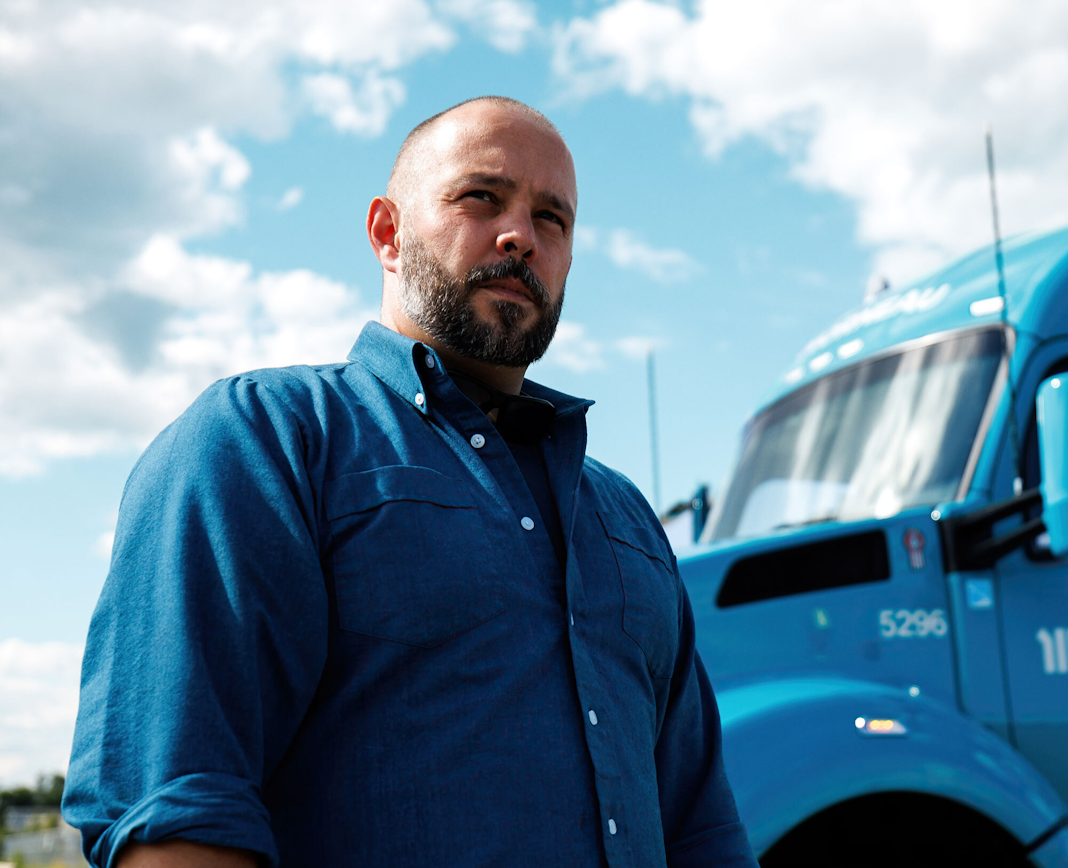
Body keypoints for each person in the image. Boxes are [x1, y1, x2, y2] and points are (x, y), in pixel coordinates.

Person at [63, 96, 757, 868]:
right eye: (481, 198)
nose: (519, 236)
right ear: (387, 234)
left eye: (551, 219)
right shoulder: (264, 441)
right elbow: (180, 813)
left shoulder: (626, 518)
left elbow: (702, 832)